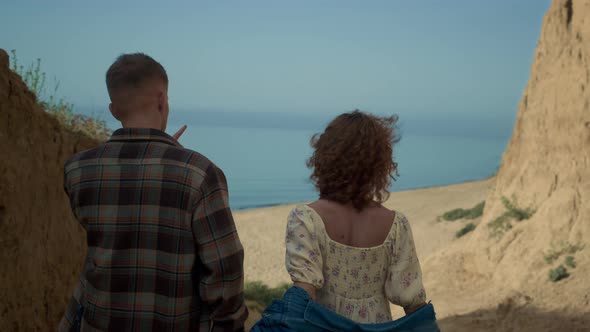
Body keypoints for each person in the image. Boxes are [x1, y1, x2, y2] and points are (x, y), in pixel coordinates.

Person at [58, 53, 248, 331]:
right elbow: (225, 274)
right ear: (162, 100)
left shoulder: (77, 170)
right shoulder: (200, 173)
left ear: (113, 110)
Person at [252, 110, 438, 331]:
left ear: (325, 157)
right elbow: (413, 303)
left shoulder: (306, 219)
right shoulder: (395, 224)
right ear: (379, 164)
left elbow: (303, 300)